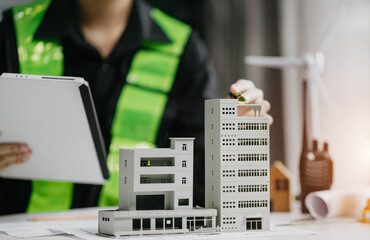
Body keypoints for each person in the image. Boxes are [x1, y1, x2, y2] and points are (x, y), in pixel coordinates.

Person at [0, 0, 271, 215]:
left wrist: (234, 136)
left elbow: (199, 179)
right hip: (22, 230)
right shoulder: (11, 33)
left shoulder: (184, 50)